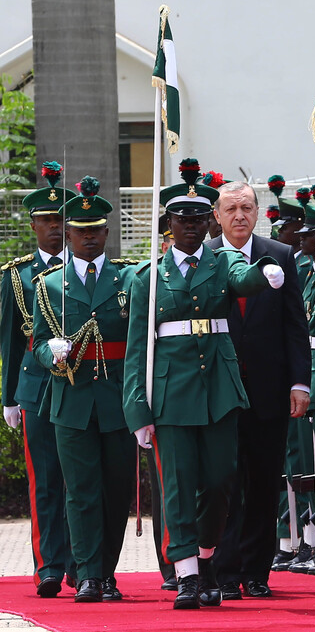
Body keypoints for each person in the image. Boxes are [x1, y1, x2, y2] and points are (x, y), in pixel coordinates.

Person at [123, 159, 285, 610]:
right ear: (168, 226)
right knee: (176, 483)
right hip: (171, 390)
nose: (190, 227)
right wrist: (137, 409)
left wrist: (265, 273)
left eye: (197, 219)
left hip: (217, 386)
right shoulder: (148, 278)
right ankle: (188, 574)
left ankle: (208, 554)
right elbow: (139, 348)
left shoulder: (224, 260)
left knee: (219, 481)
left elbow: (242, 279)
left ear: (207, 221)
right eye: (182, 220)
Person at [31, 177, 137, 603]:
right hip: (71, 400)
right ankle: (90, 574)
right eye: (80, 231)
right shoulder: (50, 286)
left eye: (96, 230)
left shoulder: (129, 279)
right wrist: (49, 352)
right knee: (80, 491)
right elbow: (37, 342)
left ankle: (106, 570)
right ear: (68, 233)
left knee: (116, 490)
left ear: (106, 233)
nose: (89, 238)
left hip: (117, 398)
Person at [208, 180, 311, 598]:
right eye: (230, 209)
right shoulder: (207, 258)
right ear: (216, 215)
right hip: (219, 392)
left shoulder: (280, 256)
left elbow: (294, 325)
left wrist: (300, 382)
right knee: (223, 481)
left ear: (257, 211)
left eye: (247, 207)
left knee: (264, 483)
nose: (239, 216)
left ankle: (256, 572)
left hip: (268, 390)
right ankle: (224, 570)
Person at [0, 160, 76, 597]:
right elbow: (10, 341)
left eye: (60, 220)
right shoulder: (17, 275)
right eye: (46, 220)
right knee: (45, 480)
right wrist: (9, 396)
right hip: (36, 387)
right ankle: (49, 565)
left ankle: (82, 563)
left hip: (80, 386)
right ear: (33, 225)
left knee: (81, 481)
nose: (53, 227)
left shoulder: (87, 266)